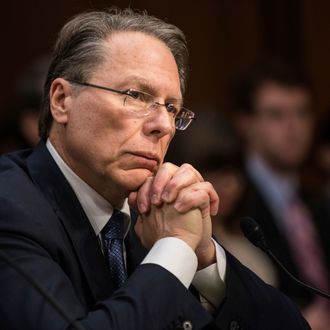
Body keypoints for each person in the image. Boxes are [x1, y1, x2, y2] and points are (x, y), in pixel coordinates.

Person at [0, 9, 310, 330]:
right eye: (135, 95)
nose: (163, 125)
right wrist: (174, 249)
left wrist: (203, 257)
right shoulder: (10, 205)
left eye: (172, 108)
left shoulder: (158, 212)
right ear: (62, 100)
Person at [231, 59, 330, 329]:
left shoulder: (317, 198)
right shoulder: (230, 201)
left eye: (302, 112)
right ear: (245, 124)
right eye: (276, 114)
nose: (293, 126)